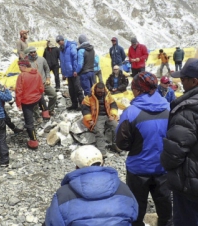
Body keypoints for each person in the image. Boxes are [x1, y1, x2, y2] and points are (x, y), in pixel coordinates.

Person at [116, 72, 172, 226]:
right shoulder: (169, 108)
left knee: (136, 208)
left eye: (133, 88)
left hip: (138, 169)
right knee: (165, 207)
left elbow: (121, 143)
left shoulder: (131, 112)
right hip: (163, 168)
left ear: (139, 90)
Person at [44, 145, 138, 226]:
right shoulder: (123, 189)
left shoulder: (63, 194)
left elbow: (53, 222)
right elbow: (135, 214)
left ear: (77, 167)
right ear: (102, 163)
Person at [160, 58, 198, 225]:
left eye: (183, 79)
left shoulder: (187, 110)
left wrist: (164, 162)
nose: (181, 83)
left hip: (189, 185)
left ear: (194, 81)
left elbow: (173, 152)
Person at [15, 59, 50, 148]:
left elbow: (19, 90)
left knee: (29, 122)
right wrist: (39, 93)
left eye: (20, 66)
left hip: (26, 101)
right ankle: (45, 112)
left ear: (25, 66)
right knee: (41, 96)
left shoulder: (22, 76)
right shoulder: (37, 73)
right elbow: (41, 87)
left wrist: (18, 103)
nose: (19, 68)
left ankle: (33, 141)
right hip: (36, 98)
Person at [81, 82, 121, 157]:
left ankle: (116, 145)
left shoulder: (108, 96)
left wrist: (113, 115)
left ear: (104, 90)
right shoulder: (88, 98)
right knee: (99, 132)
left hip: (108, 116)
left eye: (102, 92)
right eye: (98, 92)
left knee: (116, 127)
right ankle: (102, 152)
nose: (100, 93)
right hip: (96, 117)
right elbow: (85, 110)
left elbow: (114, 105)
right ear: (95, 90)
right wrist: (89, 120)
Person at [56, 35, 84, 110]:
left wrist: (75, 70)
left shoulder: (71, 46)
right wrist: (63, 73)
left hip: (74, 72)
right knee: (71, 90)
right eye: (57, 42)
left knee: (78, 88)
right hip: (68, 73)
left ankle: (82, 105)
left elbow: (75, 58)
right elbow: (62, 62)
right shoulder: (61, 50)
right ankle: (74, 104)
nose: (59, 43)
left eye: (59, 41)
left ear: (63, 40)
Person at [28, 47, 57, 115]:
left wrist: (48, 78)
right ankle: (37, 115)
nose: (33, 54)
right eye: (31, 52)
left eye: (34, 52)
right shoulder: (27, 62)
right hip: (34, 85)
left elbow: (47, 69)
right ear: (29, 53)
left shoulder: (42, 59)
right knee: (35, 100)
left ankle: (50, 109)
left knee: (53, 95)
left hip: (44, 82)